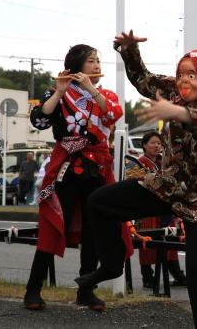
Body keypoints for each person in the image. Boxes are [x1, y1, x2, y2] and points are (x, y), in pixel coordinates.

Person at [74, 30, 197, 329]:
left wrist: (179, 111)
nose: (184, 81)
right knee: (100, 202)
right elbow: (143, 79)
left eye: (192, 75)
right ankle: (111, 264)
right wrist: (129, 50)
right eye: (181, 74)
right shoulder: (173, 90)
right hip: (168, 184)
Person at [24, 44, 131, 312]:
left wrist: (92, 90)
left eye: (97, 61)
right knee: (54, 224)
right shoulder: (60, 93)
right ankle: (33, 289)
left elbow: (113, 114)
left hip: (97, 168)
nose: (96, 65)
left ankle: (86, 290)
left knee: (94, 230)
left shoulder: (105, 94)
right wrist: (60, 90)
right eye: (91, 61)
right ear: (77, 66)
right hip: (67, 168)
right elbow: (39, 121)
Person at [129, 131, 186, 288]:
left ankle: (177, 274)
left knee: (169, 241)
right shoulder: (138, 162)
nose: (157, 146)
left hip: (165, 207)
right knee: (148, 242)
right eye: (153, 143)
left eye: (159, 143)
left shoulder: (164, 162)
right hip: (147, 208)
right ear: (145, 145)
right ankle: (147, 277)